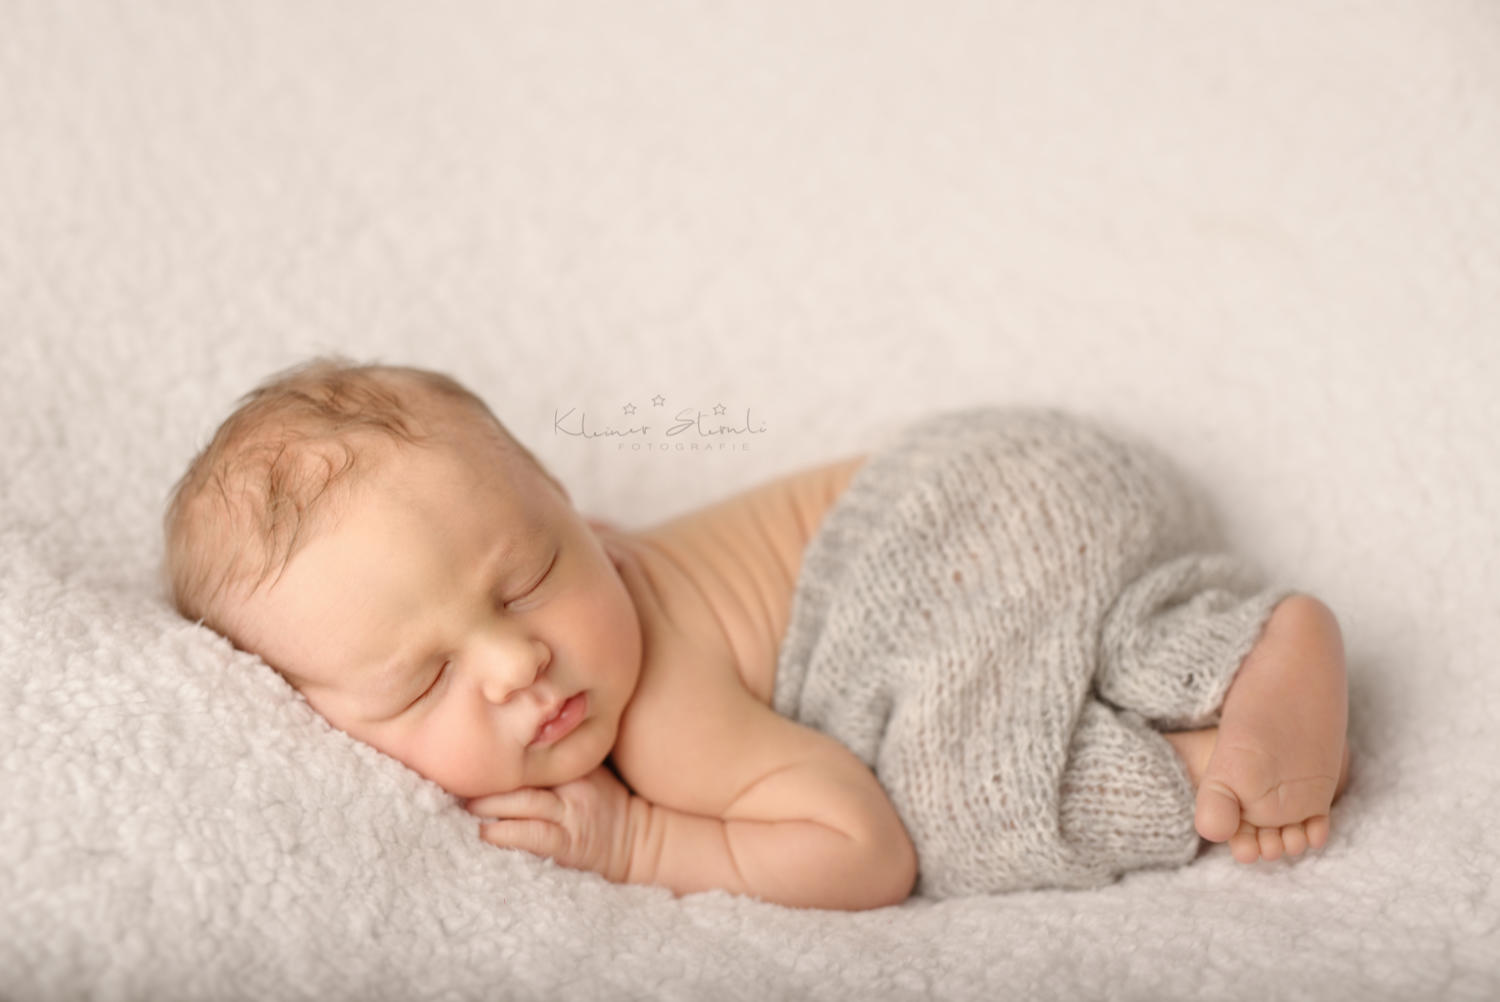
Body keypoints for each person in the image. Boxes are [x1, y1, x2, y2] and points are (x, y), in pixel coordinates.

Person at [162, 357, 1350, 910]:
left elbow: (862, 853)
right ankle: (1204, 652)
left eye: (527, 580)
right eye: (424, 680)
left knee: (956, 799)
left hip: (952, 519)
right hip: (1027, 483)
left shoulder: (661, 715)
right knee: (1047, 657)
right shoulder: (595, 601)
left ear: (572, 510)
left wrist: (636, 844)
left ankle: (1226, 700)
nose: (516, 662)